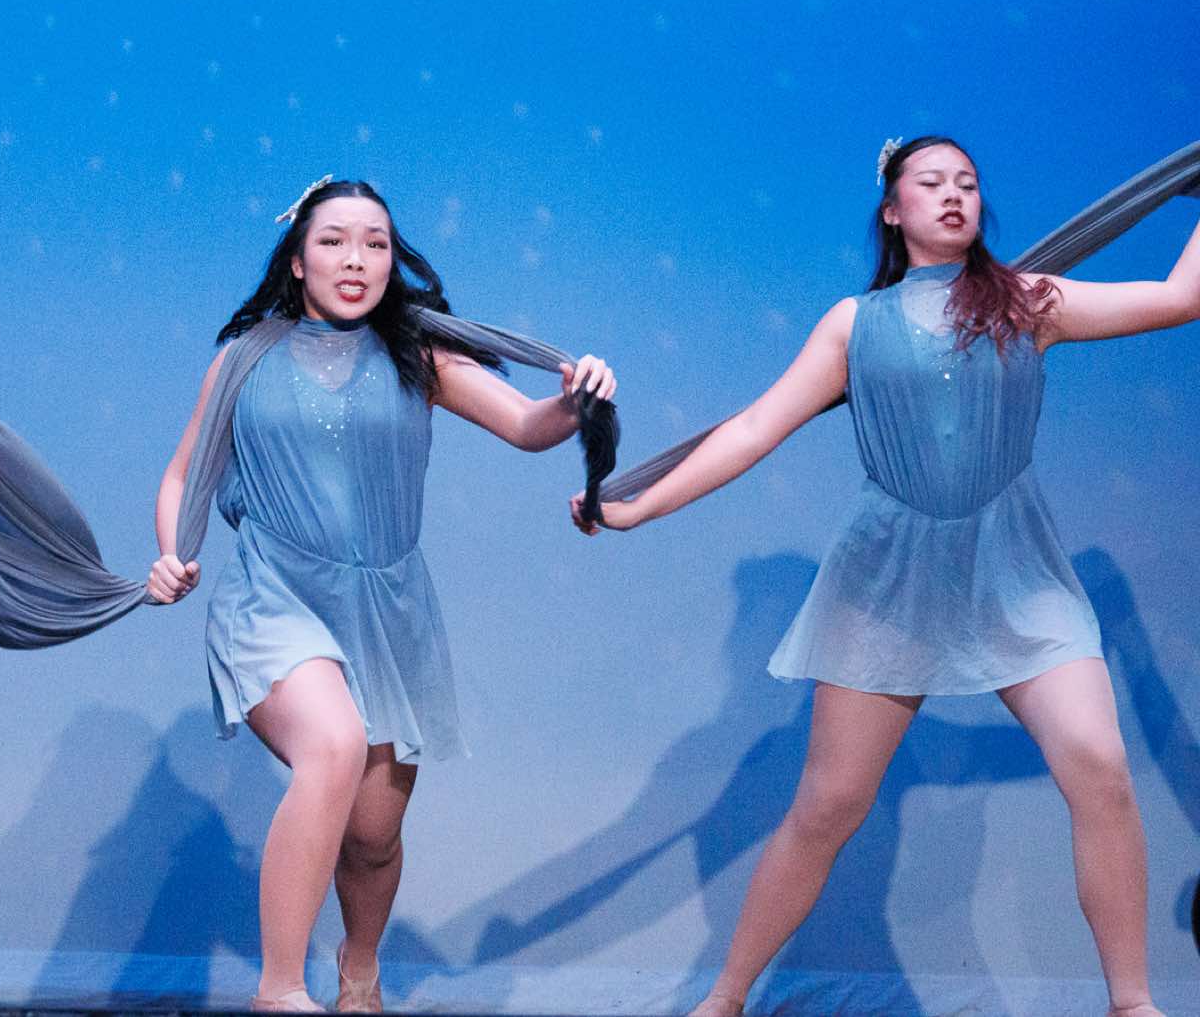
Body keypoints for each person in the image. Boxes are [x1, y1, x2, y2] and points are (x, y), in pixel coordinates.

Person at [575, 136, 1200, 1017]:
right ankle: (724, 998)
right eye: (931, 183)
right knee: (828, 805)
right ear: (893, 211)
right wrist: (636, 507)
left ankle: (1132, 1003)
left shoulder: (1029, 300)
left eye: (968, 184)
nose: (954, 195)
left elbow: (1182, 296)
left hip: (1015, 570)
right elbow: (752, 429)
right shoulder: (853, 325)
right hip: (889, 582)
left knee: (1100, 767)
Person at [151, 178, 616, 1012]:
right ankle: (279, 989)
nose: (356, 258)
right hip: (273, 595)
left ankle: (358, 962)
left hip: (388, 615)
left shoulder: (418, 356)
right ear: (298, 260)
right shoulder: (244, 358)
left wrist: (574, 401)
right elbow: (185, 474)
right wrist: (172, 554)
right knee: (331, 746)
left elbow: (526, 425)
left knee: (370, 837)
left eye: (375, 243)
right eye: (334, 240)